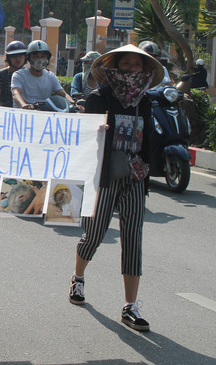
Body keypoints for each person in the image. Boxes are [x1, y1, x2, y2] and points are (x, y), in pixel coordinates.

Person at [68, 44, 164, 333]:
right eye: (126, 64)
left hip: (135, 176)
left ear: (145, 70)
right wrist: (97, 131)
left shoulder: (145, 101)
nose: (132, 70)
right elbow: (86, 135)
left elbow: (148, 139)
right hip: (105, 175)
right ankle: (78, 277)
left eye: (138, 65)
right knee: (94, 233)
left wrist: (146, 167)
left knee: (133, 237)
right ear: (114, 66)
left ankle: (130, 306)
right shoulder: (100, 97)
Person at [11, 40, 74, 109]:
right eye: (35, 56)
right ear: (29, 58)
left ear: (47, 59)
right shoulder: (19, 75)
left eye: (43, 56)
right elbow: (15, 93)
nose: (39, 60)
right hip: (24, 113)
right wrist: (23, 105)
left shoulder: (50, 76)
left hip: (44, 113)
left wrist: (73, 104)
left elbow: (63, 94)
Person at [0, 41, 27, 107]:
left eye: (21, 56)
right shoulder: (1, 74)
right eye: (14, 56)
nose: (18, 59)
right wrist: (1, 111)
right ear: (8, 58)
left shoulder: (28, 74)